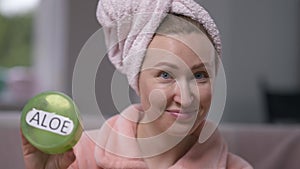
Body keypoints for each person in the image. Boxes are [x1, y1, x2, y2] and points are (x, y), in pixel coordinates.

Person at [21, 0, 253, 168]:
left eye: (200, 75)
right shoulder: (78, 157)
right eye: (165, 74)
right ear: (136, 79)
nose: (186, 97)